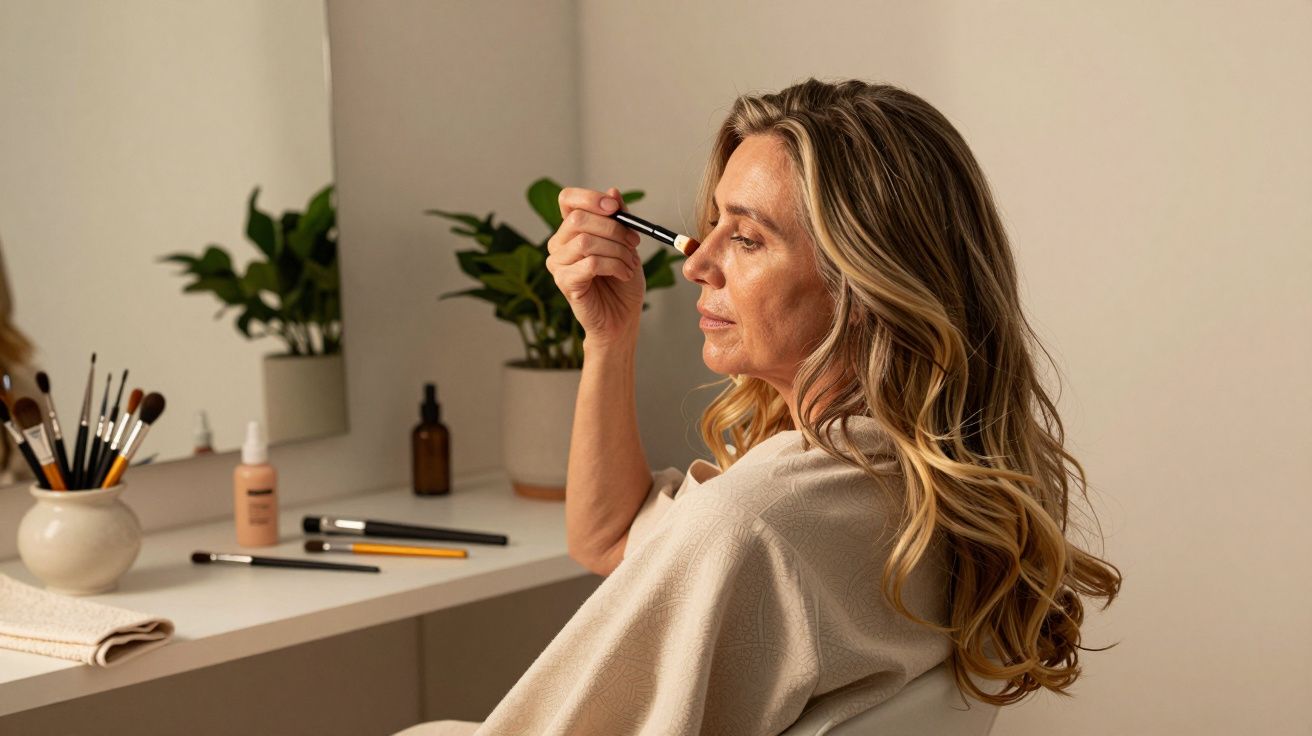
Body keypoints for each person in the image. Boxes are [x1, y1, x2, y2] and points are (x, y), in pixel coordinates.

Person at [398, 77, 1121, 736]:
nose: (696, 262)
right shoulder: (935, 482)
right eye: (712, 224)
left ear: (862, 285)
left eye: (745, 238)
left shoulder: (758, 525)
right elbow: (613, 539)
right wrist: (607, 341)